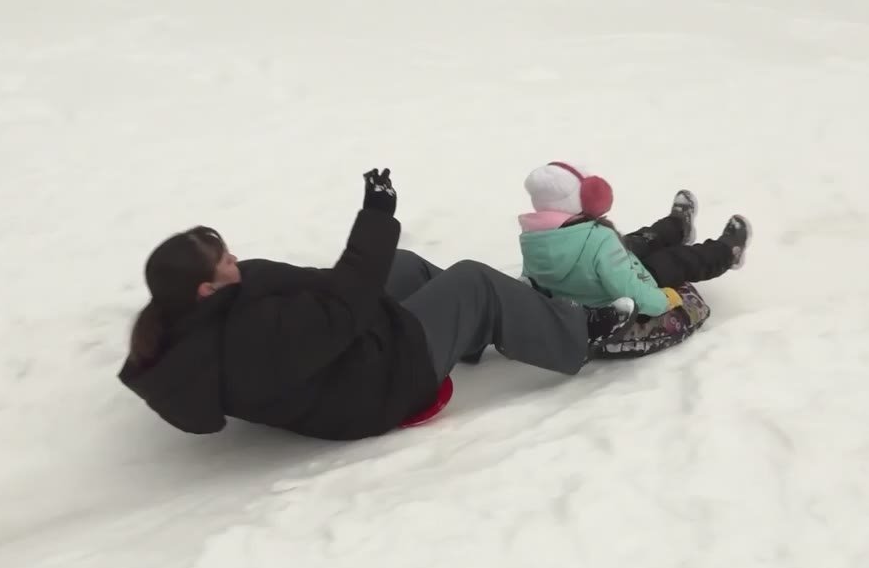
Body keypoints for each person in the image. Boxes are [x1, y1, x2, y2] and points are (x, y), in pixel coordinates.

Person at [117, 167, 643, 442]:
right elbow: (341, 308)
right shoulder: (246, 337)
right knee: (473, 283)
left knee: (401, 265)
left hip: (339, 363)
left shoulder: (200, 310)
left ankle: (490, 324)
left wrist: (370, 246)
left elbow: (330, 288)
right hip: (371, 389)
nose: (234, 258)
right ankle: (579, 332)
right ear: (205, 291)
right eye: (223, 261)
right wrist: (375, 217)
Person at [513, 161, 751, 356]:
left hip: (586, 287)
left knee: (639, 240)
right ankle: (727, 252)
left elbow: (534, 281)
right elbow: (631, 291)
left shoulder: (533, 238)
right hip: (617, 298)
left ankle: (678, 226)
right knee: (676, 260)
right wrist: (664, 300)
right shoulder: (599, 239)